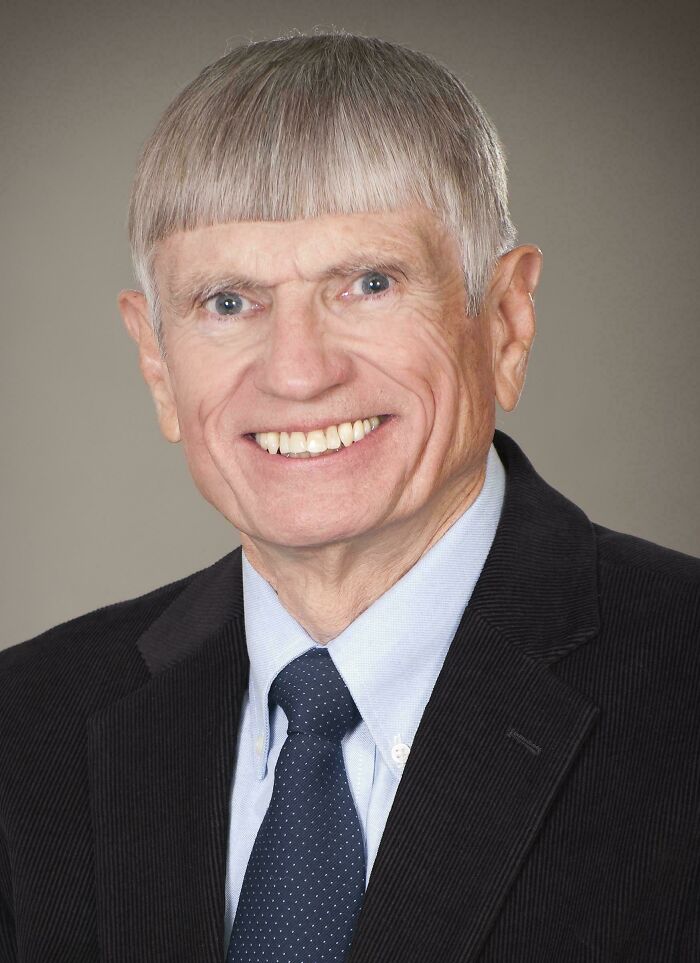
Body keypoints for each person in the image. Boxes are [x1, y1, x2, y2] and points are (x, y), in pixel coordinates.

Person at [0, 30, 698, 963]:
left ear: (504, 320)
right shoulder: (26, 727)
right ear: (157, 361)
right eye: (227, 302)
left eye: (369, 283)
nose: (298, 373)